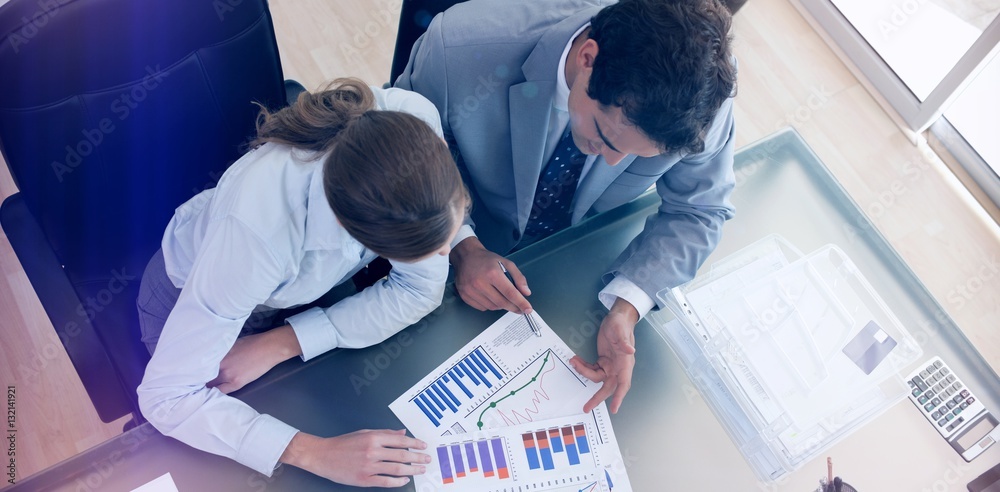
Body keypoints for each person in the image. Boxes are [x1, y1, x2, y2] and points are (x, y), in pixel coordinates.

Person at [395, 0, 737, 415]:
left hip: (575, 273)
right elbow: (401, 157)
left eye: (635, 155)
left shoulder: (702, 107)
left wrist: (627, 307)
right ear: (587, 58)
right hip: (442, 252)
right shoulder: (458, 49)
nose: (613, 161)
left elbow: (698, 211)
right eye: (605, 139)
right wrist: (463, 245)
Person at [136, 79, 469, 487]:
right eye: (423, 250)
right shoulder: (254, 238)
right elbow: (166, 397)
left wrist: (283, 342)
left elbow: (421, 290)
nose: (444, 255)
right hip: (204, 295)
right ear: (356, 234)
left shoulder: (412, 119)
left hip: (300, 293)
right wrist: (312, 451)